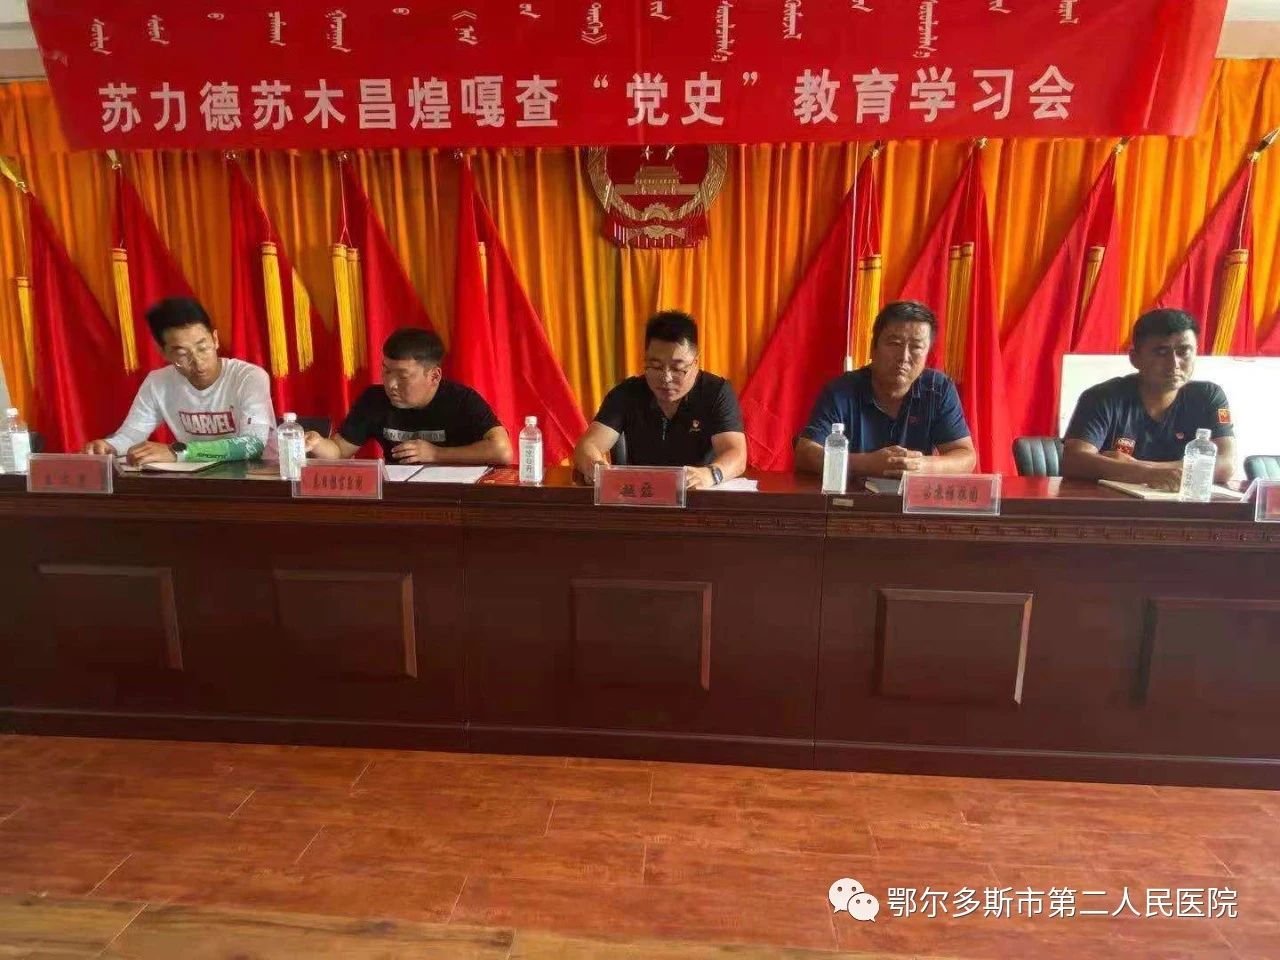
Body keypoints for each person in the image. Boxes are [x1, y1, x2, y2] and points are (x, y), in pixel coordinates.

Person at [795, 300, 976, 478]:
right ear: (873, 349)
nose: (904, 357)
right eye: (895, 343)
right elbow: (805, 453)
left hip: (912, 496)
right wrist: (867, 464)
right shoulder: (841, 391)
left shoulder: (939, 389)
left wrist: (918, 466)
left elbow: (966, 456)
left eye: (916, 347)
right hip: (853, 496)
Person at [84, 297, 274, 465]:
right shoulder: (158, 383)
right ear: (163, 352)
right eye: (182, 354)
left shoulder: (249, 377)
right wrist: (109, 446)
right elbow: (130, 436)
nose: (198, 362)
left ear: (215, 339)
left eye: (203, 348)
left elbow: (253, 444)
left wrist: (179, 452)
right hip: (195, 479)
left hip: (252, 479)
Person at [1062, 308, 1236, 490]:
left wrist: (1143, 469)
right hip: (1113, 503)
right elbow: (1073, 460)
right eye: (1161, 352)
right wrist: (1149, 474)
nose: (1174, 364)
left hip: (1183, 503)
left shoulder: (1208, 396)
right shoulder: (1102, 397)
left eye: (1184, 352)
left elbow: (1226, 464)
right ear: (1135, 358)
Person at [573, 310, 746, 489]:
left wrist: (710, 474)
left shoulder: (716, 392)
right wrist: (595, 467)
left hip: (698, 497)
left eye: (677, 369)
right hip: (641, 497)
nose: (666, 378)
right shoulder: (627, 393)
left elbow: (736, 453)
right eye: (655, 367)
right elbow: (588, 445)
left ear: (695, 363)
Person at [305, 327, 511, 465]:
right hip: (400, 498)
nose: (391, 384)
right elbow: (339, 451)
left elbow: (502, 451)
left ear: (434, 376)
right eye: (386, 371)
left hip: (455, 498)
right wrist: (317, 444)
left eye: (402, 376)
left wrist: (436, 454)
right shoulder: (374, 400)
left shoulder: (462, 401)